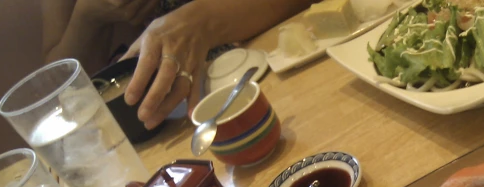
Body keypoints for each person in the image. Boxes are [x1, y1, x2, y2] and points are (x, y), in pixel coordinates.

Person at [42, 0, 312, 129]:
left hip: (292, 56)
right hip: (177, 113)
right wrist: (88, 16)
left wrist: (203, 19)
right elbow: (59, 91)